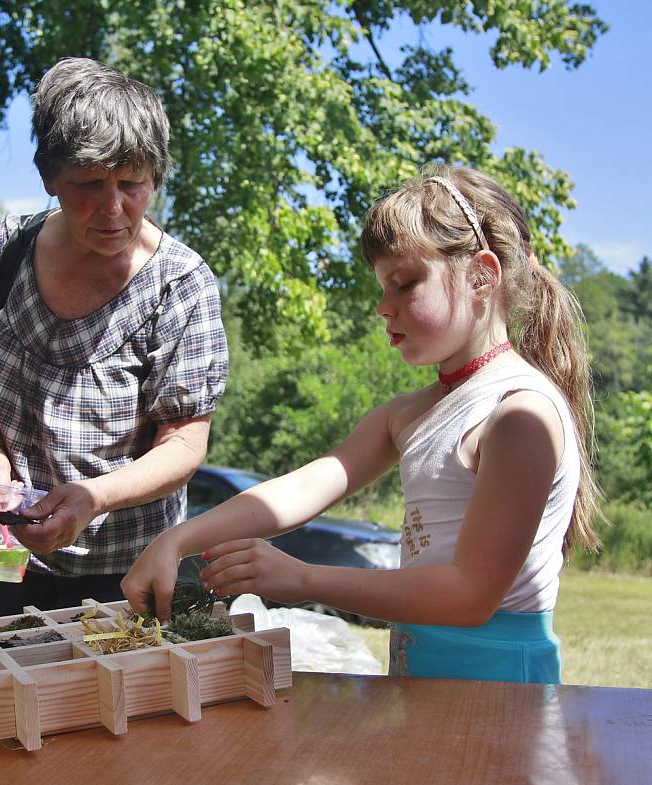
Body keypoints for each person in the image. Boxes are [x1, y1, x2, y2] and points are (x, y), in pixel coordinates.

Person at [121, 165, 602, 684]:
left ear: (481, 275)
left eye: (405, 284)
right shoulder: (411, 413)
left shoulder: (519, 412)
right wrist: (176, 541)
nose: (383, 307)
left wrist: (304, 577)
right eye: (382, 287)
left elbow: (470, 597)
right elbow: (306, 486)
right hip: (426, 669)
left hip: (503, 684)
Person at [0, 57, 229, 618]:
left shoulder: (181, 286)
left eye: (132, 184)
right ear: (50, 178)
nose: (113, 207)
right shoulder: (9, 250)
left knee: (108, 704)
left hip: (119, 569)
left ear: (156, 178)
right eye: (88, 184)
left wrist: (93, 499)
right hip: (1, 548)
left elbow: (184, 444)